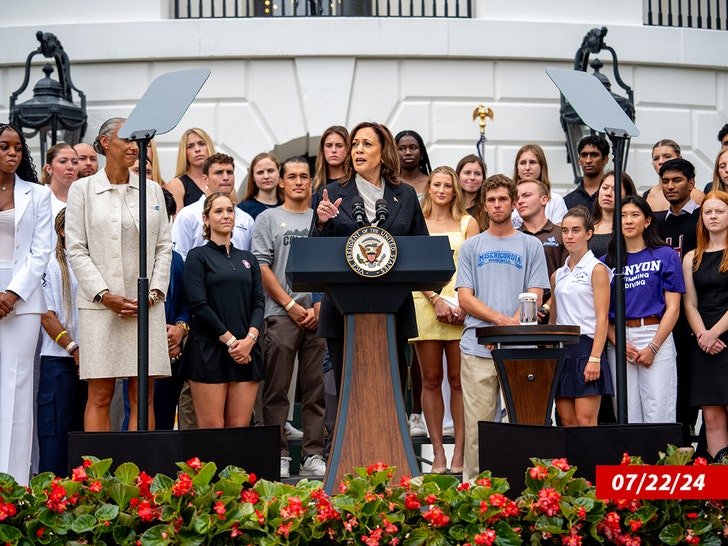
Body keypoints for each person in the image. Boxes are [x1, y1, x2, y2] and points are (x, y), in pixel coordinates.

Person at [66, 117, 172, 432]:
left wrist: (153, 294)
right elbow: (75, 248)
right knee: (100, 393)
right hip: (100, 308)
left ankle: (142, 472)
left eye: (136, 140)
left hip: (146, 307)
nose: (133, 146)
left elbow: (164, 247)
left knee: (145, 394)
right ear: (105, 144)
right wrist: (104, 294)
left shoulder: (152, 191)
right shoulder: (82, 190)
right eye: (125, 139)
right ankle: (96, 477)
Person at [310, 121, 429, 396]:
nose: (358, 150)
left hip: (393, 308)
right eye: (355, 144)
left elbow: (421, 248)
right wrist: (322, 223)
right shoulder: (332, 192)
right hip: (342, 310)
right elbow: (314, 255)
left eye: (367, 144)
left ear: (384, 151)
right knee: (348, 392)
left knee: (392, 391)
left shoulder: (406, 195)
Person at [456, 174, 549, 482]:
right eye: (491, 200)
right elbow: (465, 298)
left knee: (521, 423)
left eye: (502, 199)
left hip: (520, 349)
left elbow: (535, 294)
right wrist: (499, 325)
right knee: (478, 426)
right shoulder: (471, 247)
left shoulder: (531, 245)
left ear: (513, 203)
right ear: (484, 204)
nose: (497, 205)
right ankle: (474, 491)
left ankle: (519, 489)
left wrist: (508, 331)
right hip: (477, 347)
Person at [252, 156, 326, 479]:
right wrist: (290, 305)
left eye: (304, 176)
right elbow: (262, 267)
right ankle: (278, 452)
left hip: (317, 314)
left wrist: (317, 306)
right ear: (281, 182)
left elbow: (330, 266)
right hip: (280, 314)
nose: (298, 182)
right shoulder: (268, 219)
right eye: (291, 176)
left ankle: (313, 454)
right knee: (277, 389)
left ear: (312, 181)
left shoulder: (321, 220)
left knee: (316, 388)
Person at [411, 166, 478, 474]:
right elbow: (410, 267)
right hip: (426, 304)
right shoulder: (418, 223)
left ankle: (460, 453)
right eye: (435, 184)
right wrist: (436, 300)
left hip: (461, 304)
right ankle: (437, 452)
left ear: (455, 190)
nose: (440, 190)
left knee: (459, 381)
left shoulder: (468, 222)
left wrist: (463, 303)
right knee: (431, 379)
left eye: (446, 185)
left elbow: (475, 268)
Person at [181, 192, 264, 428]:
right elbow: (199, 305)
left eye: (229, 210)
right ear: (206, 219)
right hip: (209, 350)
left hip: (246, 350)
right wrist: (231, 342)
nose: (226, 215)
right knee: (212, 429)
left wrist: (249, 340)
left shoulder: (248, 258)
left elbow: (258, 302)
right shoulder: (197, 257)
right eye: (218, 211)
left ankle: (239, 468)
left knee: (239, 429)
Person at [0, 122, 52, 484]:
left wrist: (12, 293)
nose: (13, 153)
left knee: (18, 386)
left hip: (24, 299)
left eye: (18, 147)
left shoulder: (39, 194)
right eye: (4, 147)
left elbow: (41, 250)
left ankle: (14, 482)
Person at [604, 195, 684, 424]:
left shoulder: (666, 255)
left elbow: (673, 308)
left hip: (655, 334)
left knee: (658, 411)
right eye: (623, 216)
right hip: (620, 338)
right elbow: (599, 313)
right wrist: (619, 342)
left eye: (635, 215)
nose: (628, 221)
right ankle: (633, 461)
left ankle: (659, 461)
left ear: (647, 221)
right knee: (627, 414)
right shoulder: (607, 262)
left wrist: (653, 347)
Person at [549, 206, 613, 426]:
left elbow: (602, 317)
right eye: (565, 231)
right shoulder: (558, 274)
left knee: (585, 421)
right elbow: (553, 319)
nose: (569, 236)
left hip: (587, 346)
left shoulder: (597, 269)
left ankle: (589, 463)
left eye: (575, 230)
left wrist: (595, 358)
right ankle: (570, 463)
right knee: (566, 421)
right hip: (561, 349)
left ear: (589, 233)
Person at [654, 157, 701, 444]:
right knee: (670, 385)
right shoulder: (658, 224)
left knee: (695, 388)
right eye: (666, 181)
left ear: (691, 183)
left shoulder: (700, 220)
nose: (670, 186)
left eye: (677, 181)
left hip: (697, 316)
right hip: (666, 316)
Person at [37, 208, 87, 475]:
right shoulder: (52, 264)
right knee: (55, 440)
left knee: (84, 441)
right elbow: (46, 316)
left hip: (92, 364)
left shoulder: (91, 263)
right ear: (62, 230)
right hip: (59, 362)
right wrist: (73, 348)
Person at [682, 191, 728, 462]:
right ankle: (719, 492)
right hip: (703, 342)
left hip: (723, 335)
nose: (712, 216)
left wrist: (715, 333)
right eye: (708, 212)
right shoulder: (692, 257)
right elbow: (690, 304)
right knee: (711, 416)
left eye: (719, 211)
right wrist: (703, 335)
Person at [172, 153, 255, 260]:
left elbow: (250, 261)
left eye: (229, 172)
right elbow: (179, 258)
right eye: (219, 173)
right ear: (205, 179)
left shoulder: (246, 219)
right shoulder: (188, 215)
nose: (225, 177)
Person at [516, 178, 569, 314]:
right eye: (517, 198)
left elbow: (569, 276)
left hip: (557, 314)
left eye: (526, 195)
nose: (520, 201)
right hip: (518, 316)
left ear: (544, 199)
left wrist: (547, 307)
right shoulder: (512, 238)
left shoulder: (561, 234)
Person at [511, 144, 567, 226]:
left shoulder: (555, 200)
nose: (527, 167)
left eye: (532, 162)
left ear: (541, 167)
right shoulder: (508, 200)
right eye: (523, 163)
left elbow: (558, 235)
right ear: (517, 169)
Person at [589, 171, 638, 260]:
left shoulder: (631, 226)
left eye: (615, 189)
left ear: (627, 195)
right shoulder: (587, 226)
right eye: (604, 188)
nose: (608, 193)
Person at [643, 139, 703, 212]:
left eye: (667, 156)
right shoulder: (646, 196)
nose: (661, 161)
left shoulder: (695, 195)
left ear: (679, 159)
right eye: (656, 158)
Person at [165, 128, 216, 212]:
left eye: (201, 144)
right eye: (190, 146)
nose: (197, 149)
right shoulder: (176, 185)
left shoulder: (223, 180)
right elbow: (178, 223)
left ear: (209, 147)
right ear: (184, 152)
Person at [564, 135, 610, 211]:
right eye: (584, 155)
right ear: (579, 160)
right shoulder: (567, 201)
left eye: (594, 155)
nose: (588, 160)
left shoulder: (614, 197)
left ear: (605, 159)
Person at [238, 153, 283, 220]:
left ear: (278, 172)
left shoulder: (287, 206)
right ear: (253, 177)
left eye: (270, 171)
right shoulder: (244, 209)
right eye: (260, 172)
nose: (266, 176)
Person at [41, 143, 79, 220]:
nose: (70, 167)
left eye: (74, 162)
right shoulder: (39, 198)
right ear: (49, 168)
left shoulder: (83, 198)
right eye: (63, 161)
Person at [396, 129, 432, 201]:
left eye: (413, 148)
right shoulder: (389, 183)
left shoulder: (432, 182)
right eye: (402, 149)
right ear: (395, 153)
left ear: (421, 152)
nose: (408, 152)